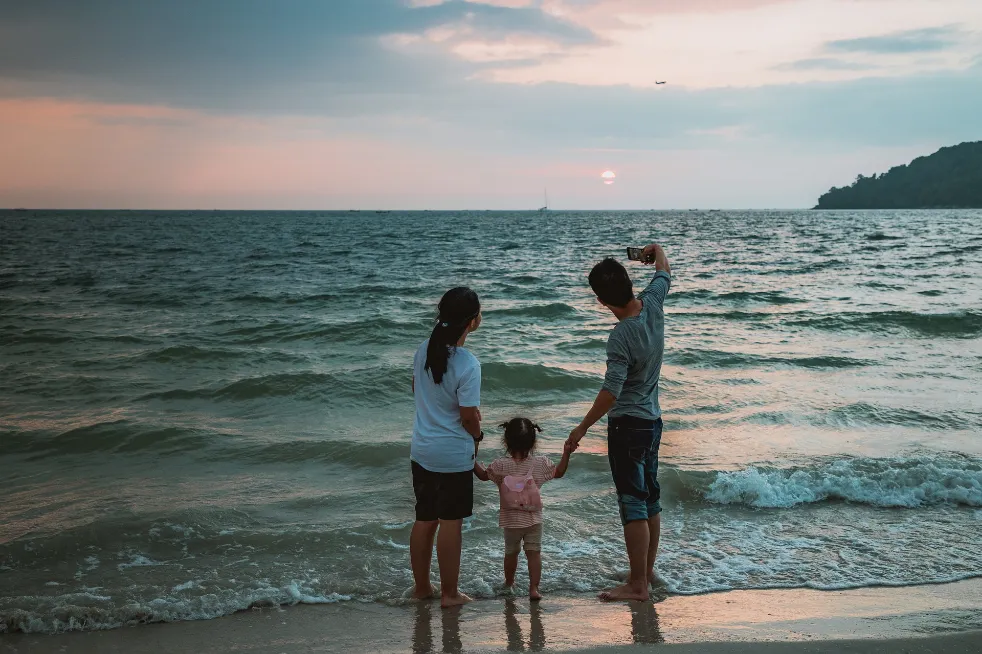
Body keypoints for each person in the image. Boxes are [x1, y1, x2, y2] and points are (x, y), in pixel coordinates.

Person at [566, 243, 671, 602]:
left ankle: (637, 585)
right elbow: (663, 269)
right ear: (629, 282)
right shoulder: (653, 303)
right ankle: (645, 572)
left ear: (600, 301)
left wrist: (581, 428)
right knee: (650, 499)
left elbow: (612, 390)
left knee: (633, 503)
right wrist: (651, 250)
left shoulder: (621, 335)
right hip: (653, 422)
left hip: (627, 425)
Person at [410, 287, 484, 608]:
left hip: (422, 451)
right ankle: (450, 594)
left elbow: (416, 389)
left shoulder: (422, 350)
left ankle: (423, 588)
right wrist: (478, 436)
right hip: (453, 456)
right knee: (451, 523)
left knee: (425, 519)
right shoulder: (468, 363)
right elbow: (468, 417)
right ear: (472, 322)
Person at [473, 418, 572, 601]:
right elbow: (559, 472)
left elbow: (482, 475)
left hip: (511, 521)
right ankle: (534, 589)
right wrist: (566, 453)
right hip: (534, 520)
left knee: (511, 553)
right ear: (533, 442)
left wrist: (471, 453)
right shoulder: (540, 464)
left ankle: (509, 583)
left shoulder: (500, 465)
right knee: (534, 553)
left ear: (506, 441)